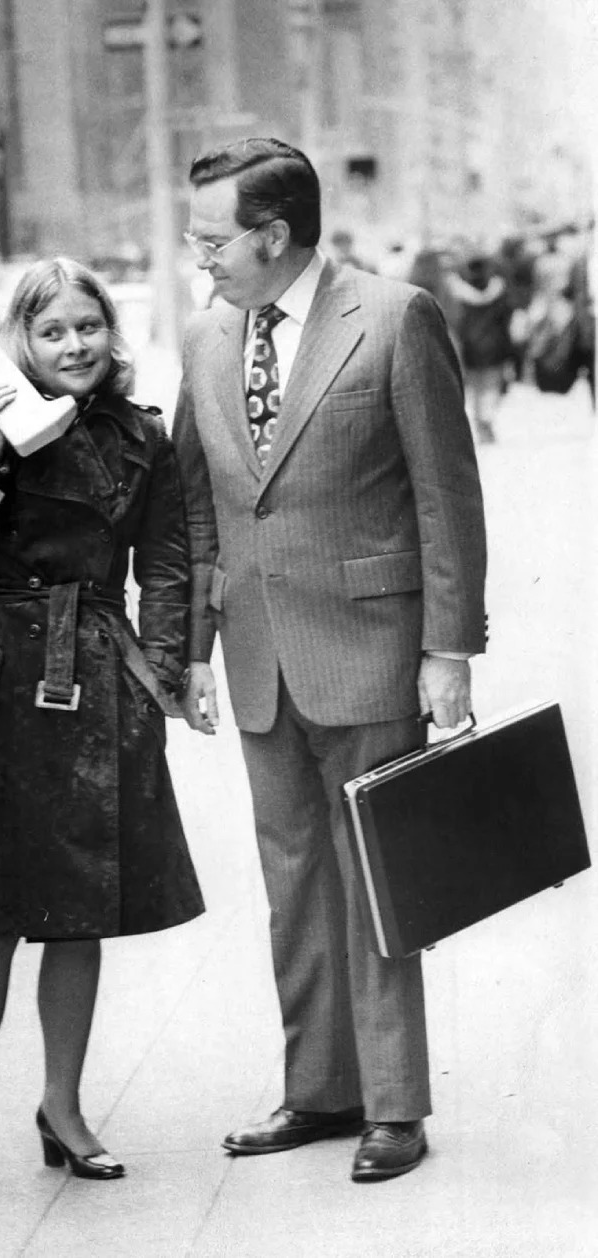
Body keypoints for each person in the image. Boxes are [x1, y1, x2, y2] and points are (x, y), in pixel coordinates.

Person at [172, 139, 487, 1183]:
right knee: (294, 883)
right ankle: (319, 1091)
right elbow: (201, 508)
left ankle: (395, 1105)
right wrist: (198, 650)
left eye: (212, 237)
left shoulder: (395, 317)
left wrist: (448, 650)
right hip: (261, 656)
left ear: (273, 234)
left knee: (375, 874)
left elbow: (447, 497)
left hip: (372, 647)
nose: (198, 255)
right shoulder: (207, 337)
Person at [0, 257, 204, 1215]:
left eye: (88, 327)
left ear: (111, 334)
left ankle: (62, 1110)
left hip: (103, 682)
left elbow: (167, 565)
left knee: (80, 914)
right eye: (51, 331)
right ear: (18, 339)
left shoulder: (138, 433)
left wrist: (160, 678)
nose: (74, 346)